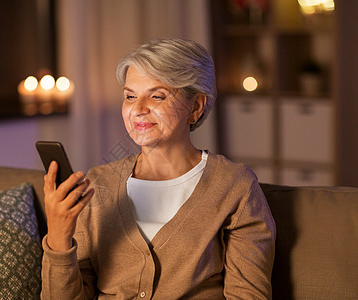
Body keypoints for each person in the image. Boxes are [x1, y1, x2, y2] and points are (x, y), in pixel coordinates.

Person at [41, 38, 276, 299]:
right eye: (130, 96)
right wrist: (59, 236)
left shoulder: (234, 185)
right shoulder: (98, 183)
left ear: (195, 107)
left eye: (157, 96)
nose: (138, 109)